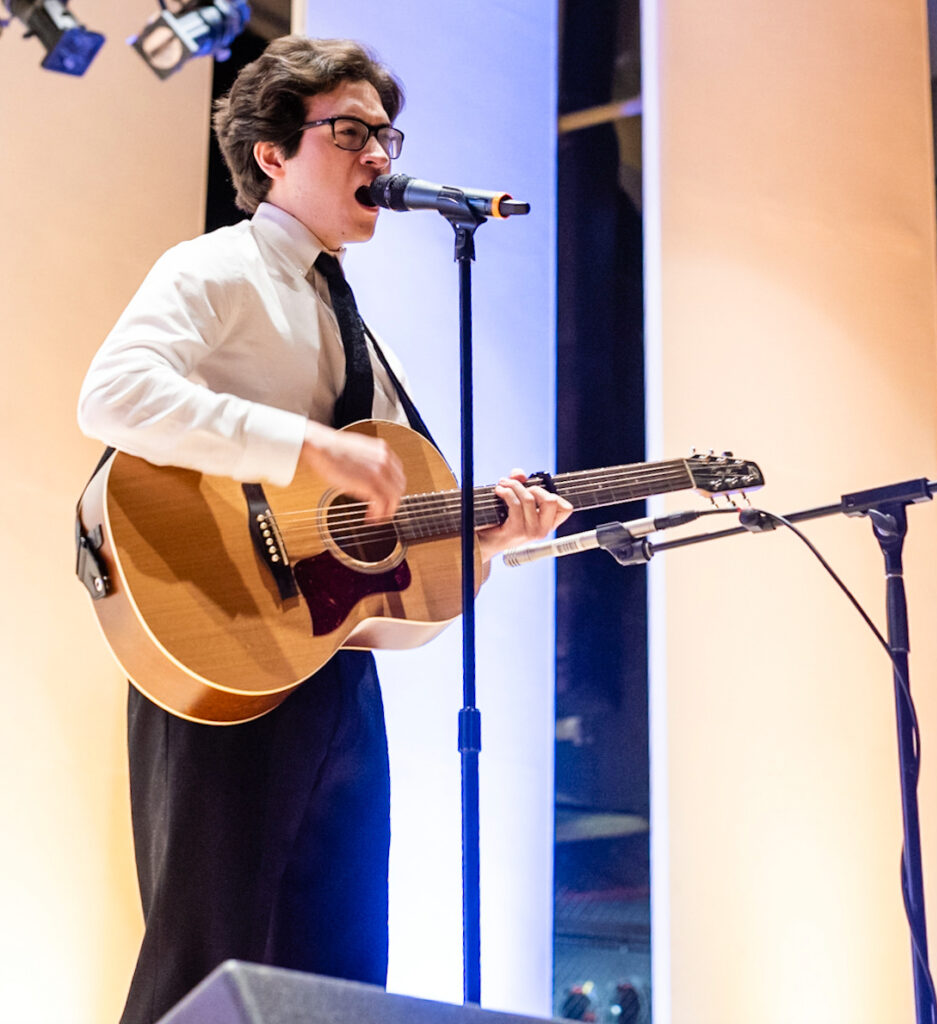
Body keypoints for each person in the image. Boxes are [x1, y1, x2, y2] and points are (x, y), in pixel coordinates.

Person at [77, 35, 571, 1024]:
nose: (380, 156)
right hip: (220, 639)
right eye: (350, 132)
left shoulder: (343, 313)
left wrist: (487, 536)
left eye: (386, 134)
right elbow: (114, 397)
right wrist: (300, 447)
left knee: (339, 967)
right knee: (202, 954)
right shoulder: (215, 267)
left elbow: (391, 525)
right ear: (271, 153)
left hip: (332, 665)